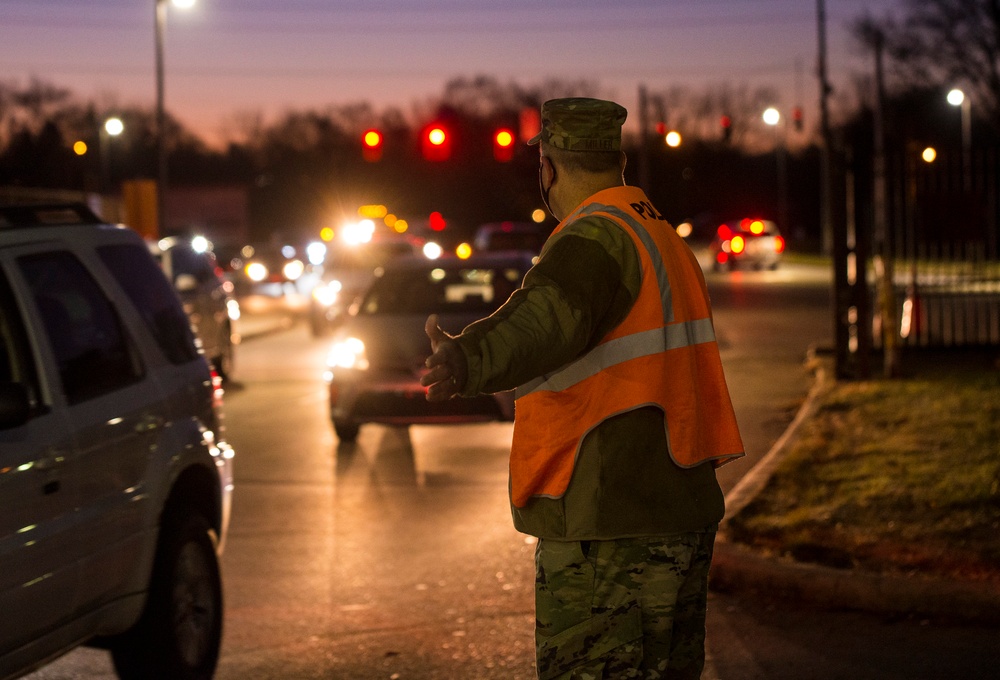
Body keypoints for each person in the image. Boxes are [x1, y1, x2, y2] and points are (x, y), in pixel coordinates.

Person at [420, 97, 744, 680]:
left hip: (610, 520)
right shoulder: (664, 238)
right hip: (680, 508)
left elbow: (545, 318)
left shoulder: (595, 237)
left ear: (547, 166)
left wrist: (466, 358)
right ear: (616, 161)